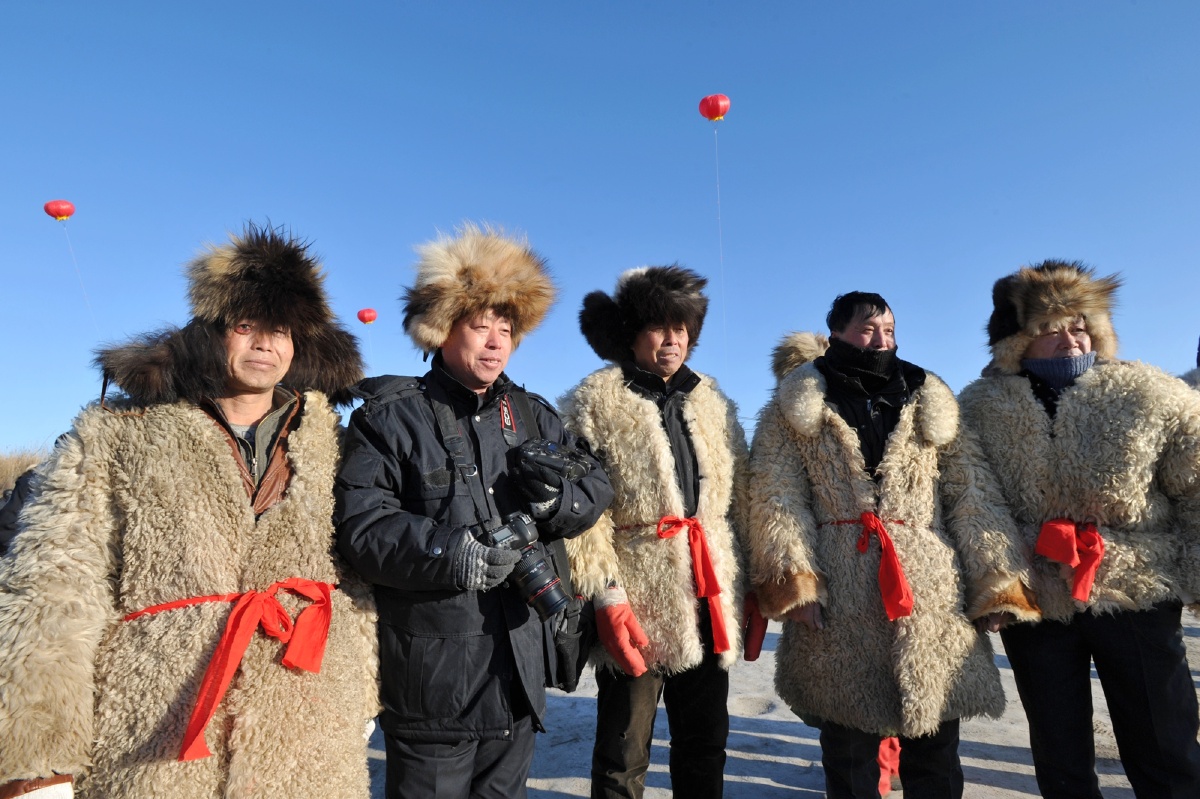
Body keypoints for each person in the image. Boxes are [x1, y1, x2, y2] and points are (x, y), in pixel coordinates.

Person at [0, 224, 378, 798]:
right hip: (150, 726)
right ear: (210, 332)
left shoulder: (336, 445)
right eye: (246, 325)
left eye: (281, 330)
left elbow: (358, 584)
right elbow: (53, 586)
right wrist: (40, 761)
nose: (265, 344)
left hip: (305, 726)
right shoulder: (117, 434)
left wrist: (359, 692)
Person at [334, 224, 614, 799]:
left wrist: (556, 501)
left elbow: (597, 484)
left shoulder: (536, 416)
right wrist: (449, 550)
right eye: (479, 325)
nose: (495, 342)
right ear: (442, 330)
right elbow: (362, 527)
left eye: (506, 329)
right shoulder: (389, 418)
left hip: (519, 672)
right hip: (433, 683)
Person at [743, 292, 1040, 799]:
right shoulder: (791, 408)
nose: (881, 340)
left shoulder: (927, 395)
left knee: (936, 746)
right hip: (841, 588)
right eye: (867, 330)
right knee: (850, 749)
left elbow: (972, 490)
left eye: (889, 330)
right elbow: (775, 496)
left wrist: (998, 582)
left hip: (930, 586)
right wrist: (795, 581)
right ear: (835, 332)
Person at [958, 260, 1200, 799]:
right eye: (1051, 328)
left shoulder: (1150, 393)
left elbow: (1195, 489)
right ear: (1019, 341)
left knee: (1166, 739)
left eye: (1080, 324)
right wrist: (999, 581)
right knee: (1059, 746)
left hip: (1134, 585)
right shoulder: (978, 408)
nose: (1070, 338)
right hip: (1038, 592)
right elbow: (975, 501)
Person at [558, 265, 749, 799]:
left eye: (682, 327)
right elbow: (581, 516)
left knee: (705, 741)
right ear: (632, 334)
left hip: (708, 589)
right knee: (624, 747)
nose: (673, 340)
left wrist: (748, 584)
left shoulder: (712, 399)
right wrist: (607, 594)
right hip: (635, 592)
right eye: (660, 327)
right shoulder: (593, 401)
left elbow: (740, 498)